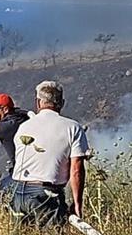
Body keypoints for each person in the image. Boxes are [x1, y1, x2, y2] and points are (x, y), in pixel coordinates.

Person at [8, 80, 88, 226]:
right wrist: (77, 204)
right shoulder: (73, 128)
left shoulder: (24, 127)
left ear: (38, 103)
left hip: (18, 191)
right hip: (46, 194)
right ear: (61, 103)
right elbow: (76, 169)